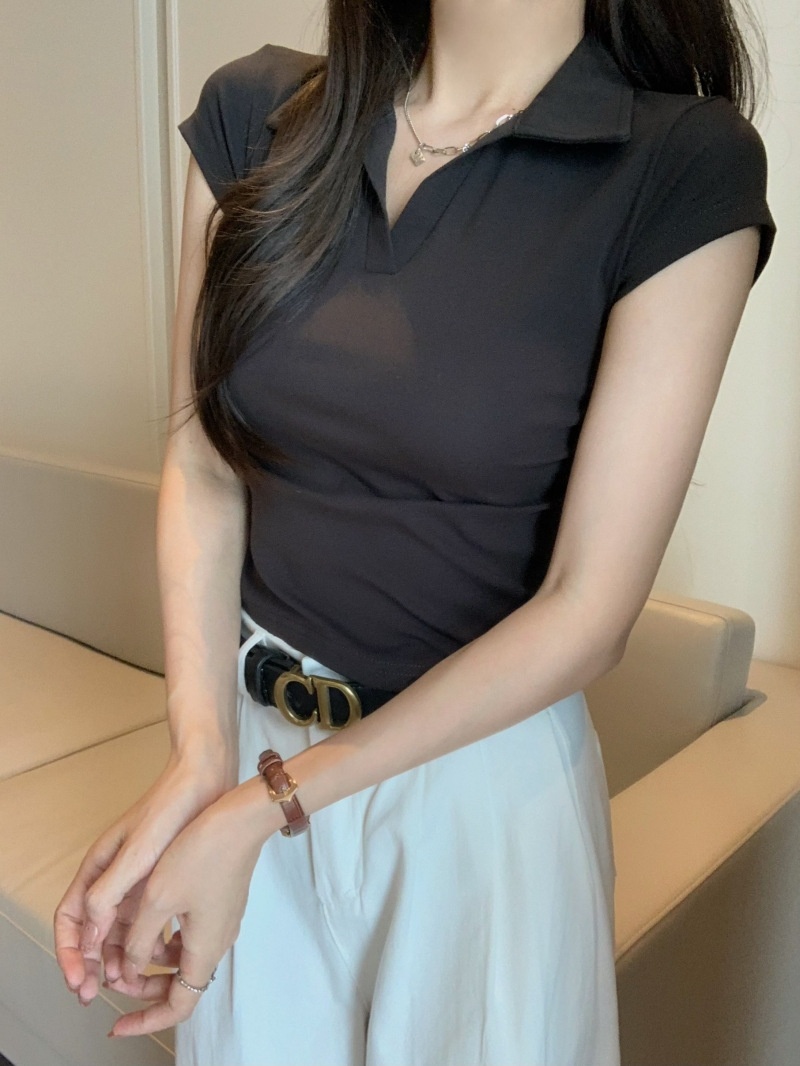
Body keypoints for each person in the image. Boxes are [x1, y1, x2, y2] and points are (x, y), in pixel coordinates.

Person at [54, 1, 777, 1063]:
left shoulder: (677, 164)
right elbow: (205, 466)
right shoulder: (256, 116)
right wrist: (200, 756)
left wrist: (260, 810)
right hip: (252, 744)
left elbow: (586, 609)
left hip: (478, 790)